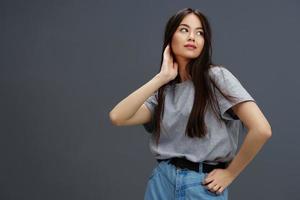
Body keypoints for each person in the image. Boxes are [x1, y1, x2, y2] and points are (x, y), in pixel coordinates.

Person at [109, 7, 272, 200]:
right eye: (184, 30)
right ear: (170, 38)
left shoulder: (216, 78)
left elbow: (262, 129)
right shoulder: (163, 92)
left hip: (202, 186)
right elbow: (117, 117)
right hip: (162, 183)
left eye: (200, 32)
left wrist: (230, 173)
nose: (192, 37)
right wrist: (161, 78)